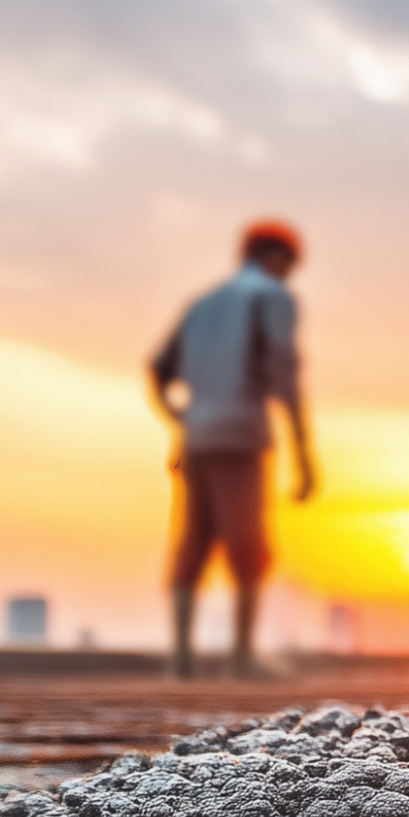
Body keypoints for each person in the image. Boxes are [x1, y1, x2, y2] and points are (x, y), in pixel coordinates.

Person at [150, 220, 316, 679]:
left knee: (193, 541)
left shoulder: (203, 304)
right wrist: (303, 450)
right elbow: (283, 371)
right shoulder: (272, 297)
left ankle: (181, 657)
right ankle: (242, 655)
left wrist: (182, 416)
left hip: (196, 439)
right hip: (240, 434)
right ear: (276, 258)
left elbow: (158, 370)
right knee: (248, 541)